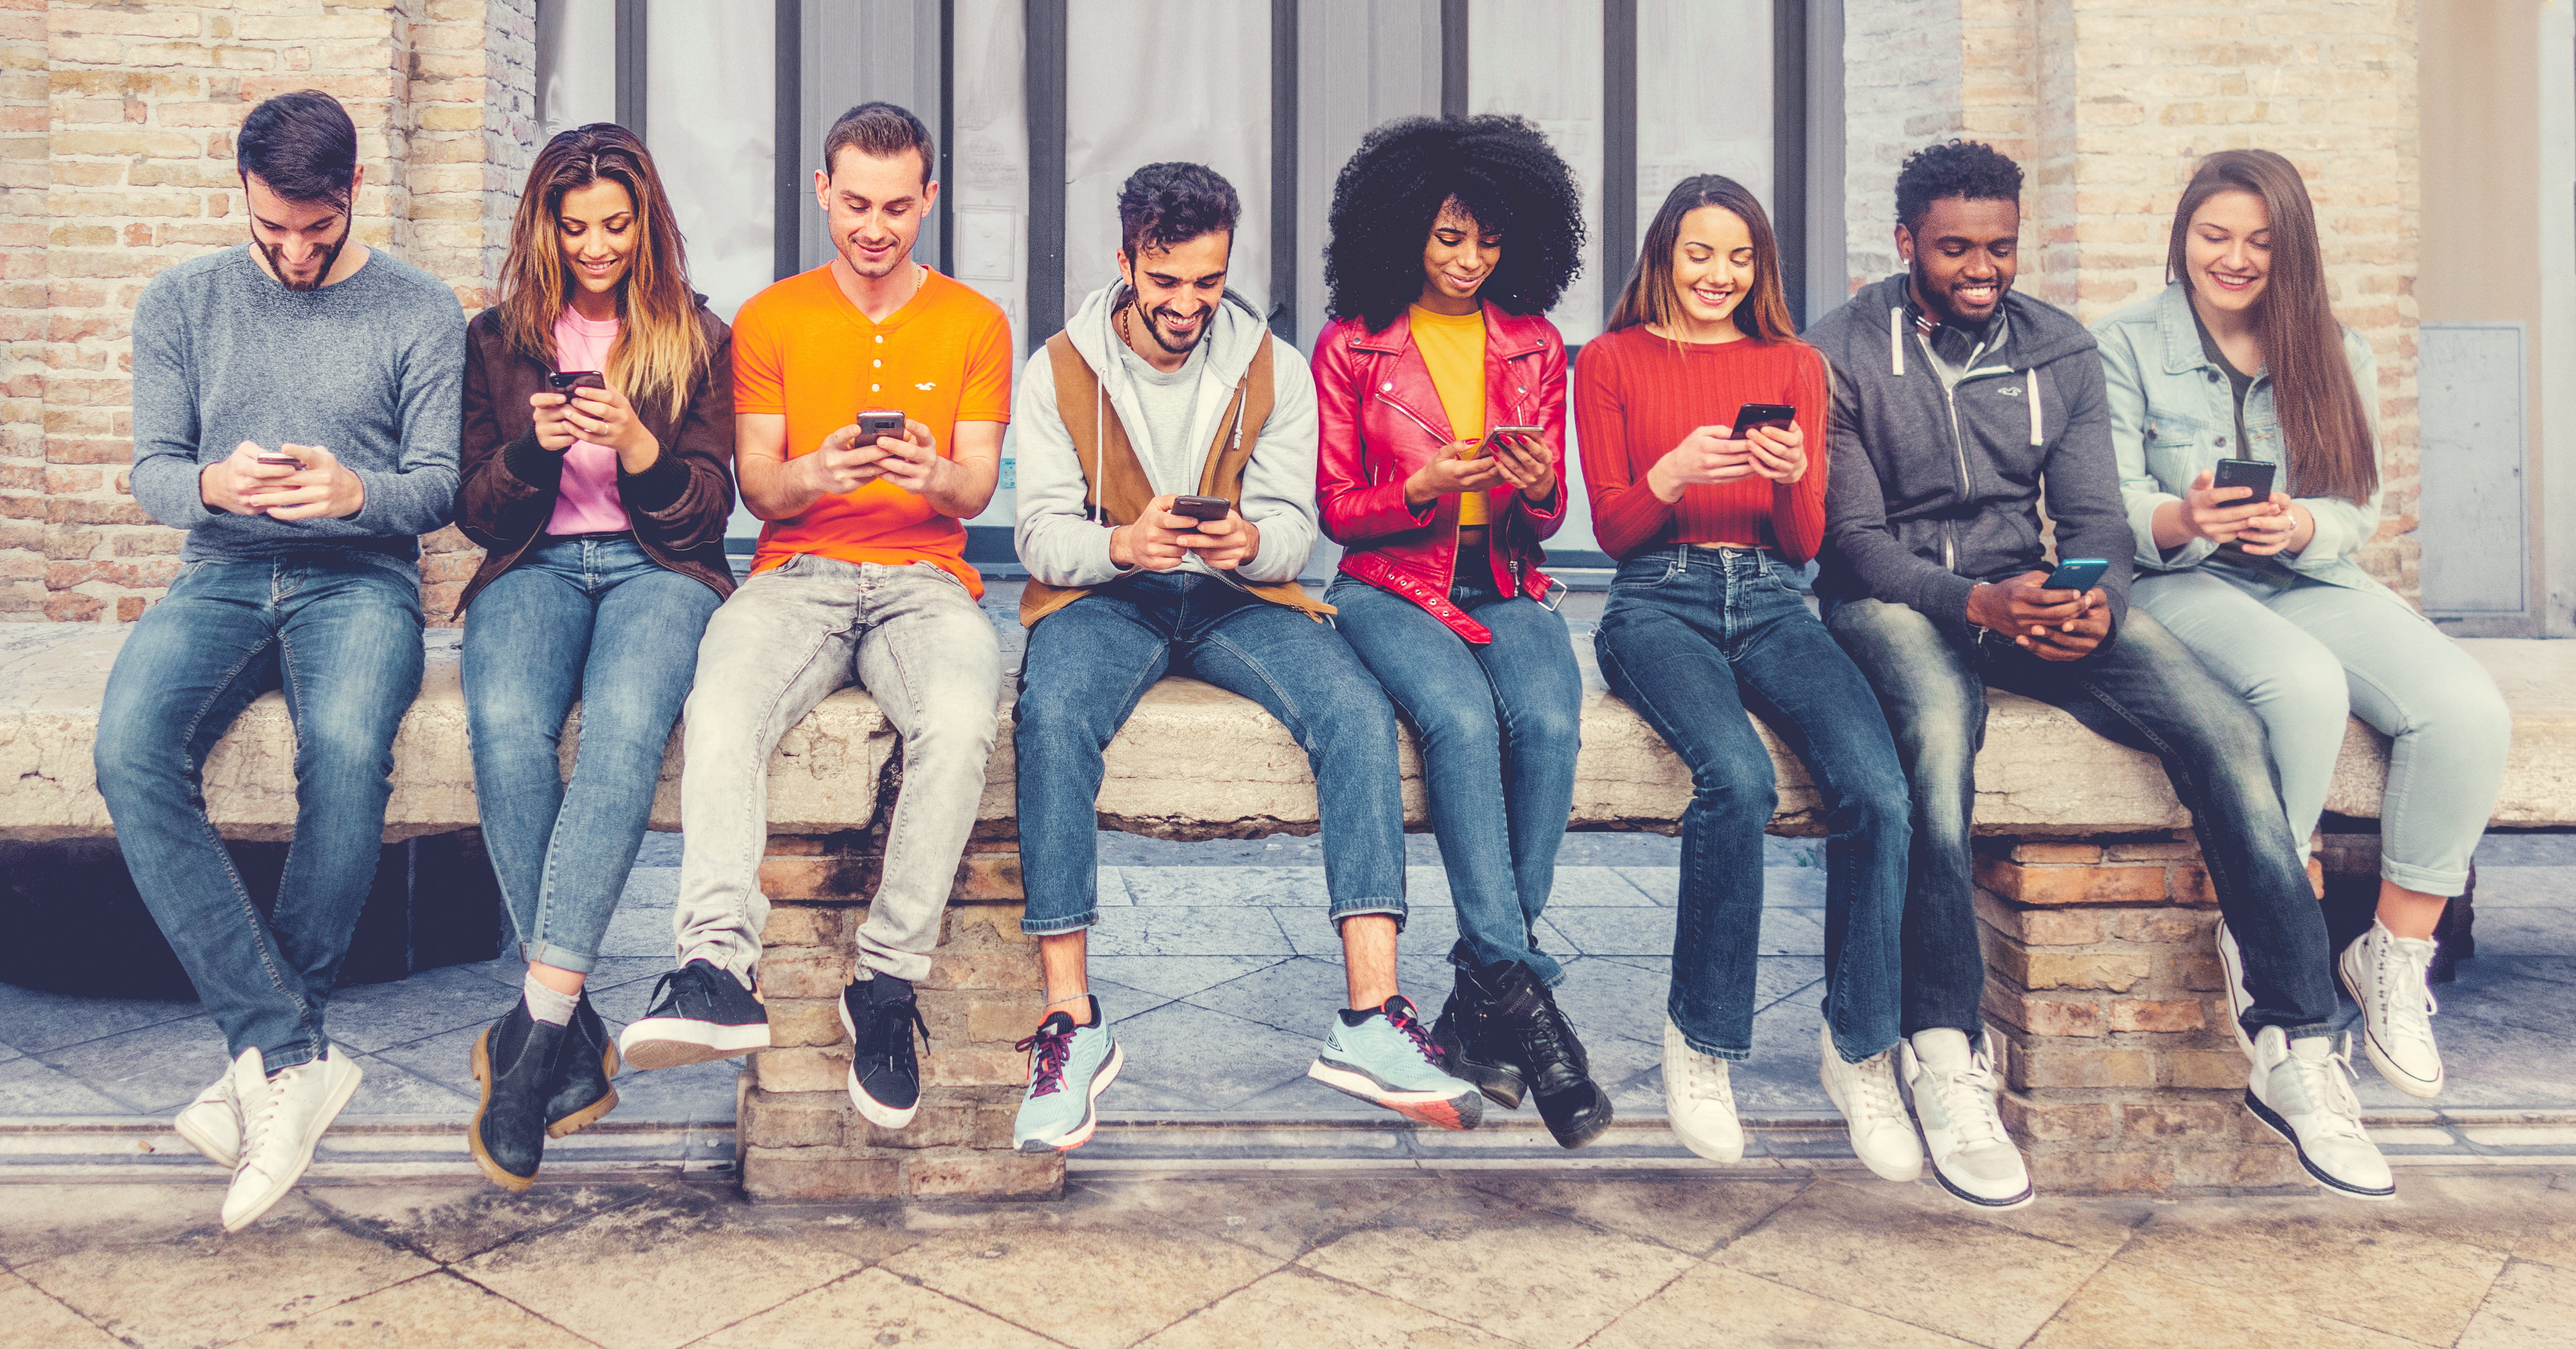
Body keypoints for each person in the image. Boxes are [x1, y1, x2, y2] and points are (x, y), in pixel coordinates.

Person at [1812, 139, 2391, 1204]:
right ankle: (1944, 1048)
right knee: (1939, 744)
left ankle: (2297, 1040)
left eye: (1999, 248)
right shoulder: (1842, 348)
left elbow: (2093, 521)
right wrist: (1976, 604)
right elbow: (1853, 543)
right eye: (1954, 250)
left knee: (2220, 727)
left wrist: (2096, 604)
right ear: (1904, 246)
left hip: (2027, 593)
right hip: (1893, 603)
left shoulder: (2058, 348)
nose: (1982, 269)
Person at [1009, 161, 1483, 1151]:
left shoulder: (1272, 363)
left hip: (1234, 598)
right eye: (1167, 279)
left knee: (1354, 710)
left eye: (1208, 282)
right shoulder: (1056, 367)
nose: (1188, 305)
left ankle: (1369, 1017)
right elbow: (1039, 534)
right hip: (1107, 594)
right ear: (1127, 259)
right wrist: (1119, 545)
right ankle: (1070, 1024)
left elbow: (1294, 531)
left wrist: (1249, 543)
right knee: (1050, 718)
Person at [96, 90, 463, 1231]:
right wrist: (213, 483)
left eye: (317, 229)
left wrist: (360, 495)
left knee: (348, 748)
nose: (295, 255)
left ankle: (269, 1057)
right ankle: (287, 1049)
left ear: (354, 191)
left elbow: (439, 485)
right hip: (218, 570)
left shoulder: (420, 308)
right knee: (128, 753)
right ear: (244, 197)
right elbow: (154, 467)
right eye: (272, 233)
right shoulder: (183, 302)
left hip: (361, 579)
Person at [615, 103, 1011, 1142]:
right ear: (822, 195)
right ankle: (715, 967)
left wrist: (929, 474)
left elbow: (973, 490)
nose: (873, 228)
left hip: (925, 579)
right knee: (723, 704)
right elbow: (757, 487)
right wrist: (815, 472)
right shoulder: (774, 318)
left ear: (928, 199)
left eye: (895, 207)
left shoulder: (975, 323)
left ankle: (885, 982)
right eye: (854, 205)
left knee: (965, 722)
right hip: (799, 571)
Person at [2094, 149, 2510, 1103]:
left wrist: (2304, 521)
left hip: (2307, 574)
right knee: (2303, 684)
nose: (2233, 258)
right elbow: (2103, 504)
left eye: (2259, 242)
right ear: (2182, 236)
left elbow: (2357, 505)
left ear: (2294, 252)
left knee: (2464, 707)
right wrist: (2185, 517)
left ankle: (2393, 956)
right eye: (2214, 236)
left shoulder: (2332, 346)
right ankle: (2267, 920)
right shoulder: (2117, 341)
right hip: (2179, 583)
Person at [1577, 175, 1923, 1184]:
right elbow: (1611, 529)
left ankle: (1859, 1052)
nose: (1718, 275)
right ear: (1663, 257)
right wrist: (1673, 475)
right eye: (1698, 254)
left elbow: (1808, 542)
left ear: (1759, 267)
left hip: (1773, 600)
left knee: (1878, 791)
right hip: (1657, 603)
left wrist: (1783, 476)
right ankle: (1703, 1044)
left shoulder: (1794, 364)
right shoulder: (1610, 360)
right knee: (1737, 777)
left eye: (1738, 258)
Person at [1310, 115, 1608, 1149]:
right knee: (1463, 725)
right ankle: (1520, 995)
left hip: (1504, 581)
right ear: (1401, 234)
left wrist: (1532, 490)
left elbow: (1552, 506)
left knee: (1552, 726)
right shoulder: (1353, 346)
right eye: (1446, 238)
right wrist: (1419, 487)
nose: (1468, 260)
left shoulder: (1532, 344)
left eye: (1485, 240)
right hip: (1387, 583)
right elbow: (1337, 510)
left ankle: (1486, 992)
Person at [454, 124, 738, 1190]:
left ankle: (534, 1037)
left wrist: (639, 448)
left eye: (616, 226)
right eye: (575, 229)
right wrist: (536, 447)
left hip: (662, 571)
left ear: (647, 223)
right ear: (545, 227)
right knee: (507, 729)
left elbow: (711, 506)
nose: (596, 247)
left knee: (622, 728)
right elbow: (476, 512)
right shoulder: (496, 339)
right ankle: (564, 1032)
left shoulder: (696, 336)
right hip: (532, 568)